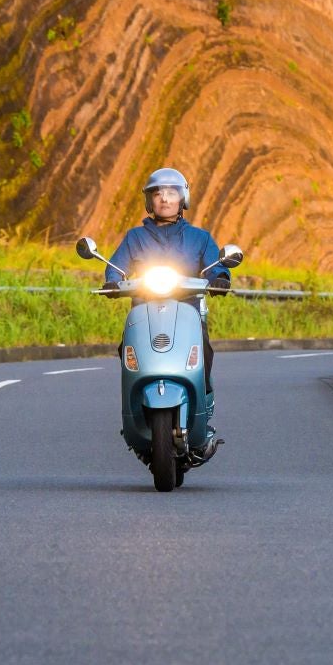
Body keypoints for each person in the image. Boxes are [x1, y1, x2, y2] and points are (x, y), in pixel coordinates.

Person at [104, 166, 229, 457]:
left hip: (188, 310)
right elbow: (116, 265)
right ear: (149, 200)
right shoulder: (135, 237)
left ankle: (204, 412)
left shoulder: (200, 238)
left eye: (171, 192)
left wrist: (221, 277)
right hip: (145, 312)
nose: (164, 198)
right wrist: (111, 280)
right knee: (126, 350)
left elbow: (216, 265)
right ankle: (134, 413)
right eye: (157, 193)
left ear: (182, 198)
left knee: (205, 352)